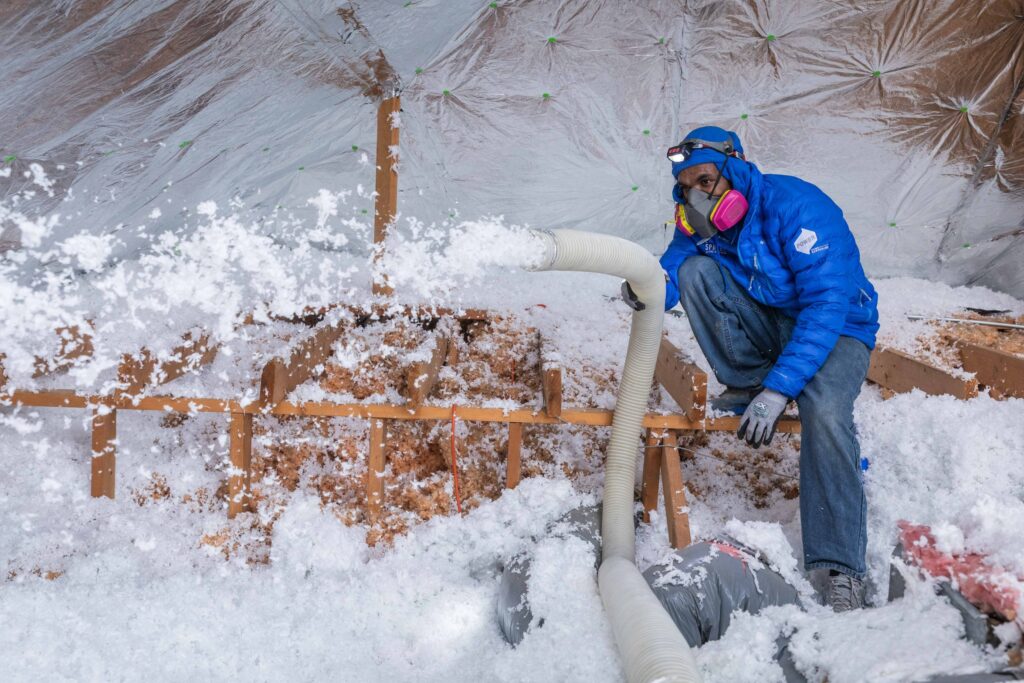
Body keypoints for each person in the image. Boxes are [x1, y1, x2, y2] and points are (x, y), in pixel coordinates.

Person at [622, 125, 880, 611]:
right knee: (697, 271)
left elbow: (827, 304)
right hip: (773, 319)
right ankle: (747, 383)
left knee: (824, 411)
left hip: (838, 326)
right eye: (686, 186)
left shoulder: (799, 207)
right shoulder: (698, 221)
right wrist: (648, 288)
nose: (696, 196)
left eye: (706, 182)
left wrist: (781, 389)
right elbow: (676, 266)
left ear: (736, 167)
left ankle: (842, 567)